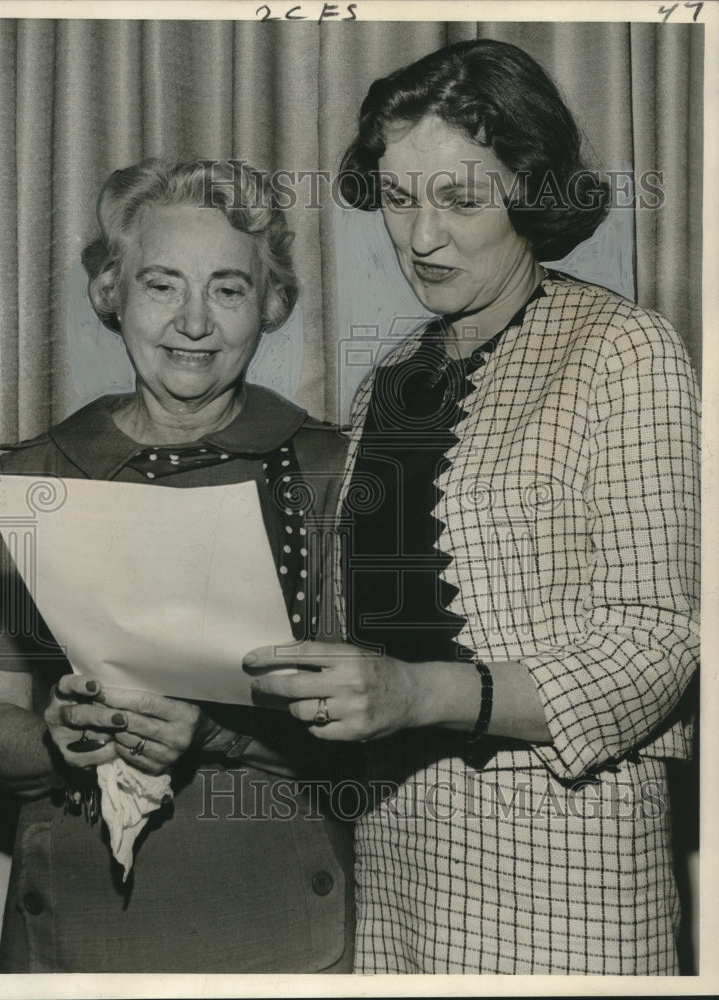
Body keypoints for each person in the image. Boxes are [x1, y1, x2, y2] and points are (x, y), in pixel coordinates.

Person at [247, 39, 700, 974]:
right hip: (398, 868)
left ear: (529, 193)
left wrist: (420, 693)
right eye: (401, 197)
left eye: (461, 199)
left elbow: (659, 643)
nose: (420, 236)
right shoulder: (390, 384)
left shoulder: (623, 350)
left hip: (569, 879)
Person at [0, 159, 353, 973]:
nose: (193, 323)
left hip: (277, 923)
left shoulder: (331, 472)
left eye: (229, 290)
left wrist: (216, 732)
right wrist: (54, 741)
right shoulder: (36, 476)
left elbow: (377, 736)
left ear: (271, 306)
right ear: (113, 292)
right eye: (163, 286)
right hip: (76, 924)